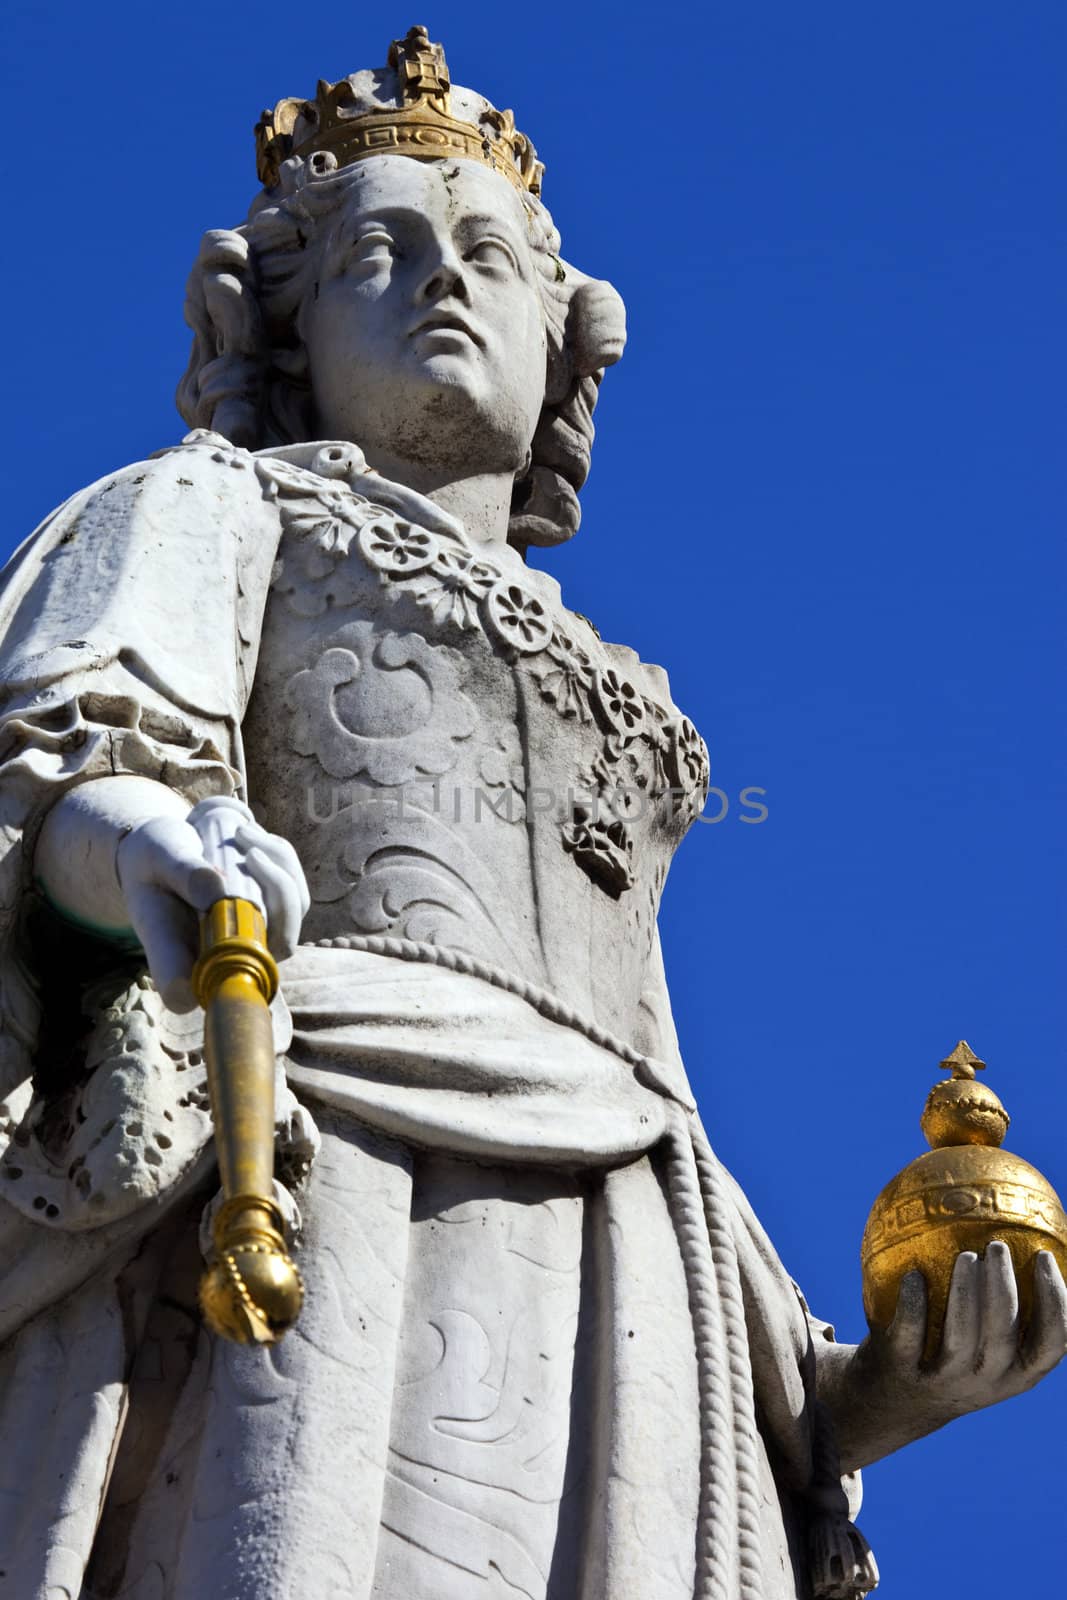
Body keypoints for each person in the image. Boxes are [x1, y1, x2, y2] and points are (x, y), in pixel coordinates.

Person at [0, 27, 1062, 1600]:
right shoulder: (211, 504)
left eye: (491, 255)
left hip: (645, 1262)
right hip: (330, 1164)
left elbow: (646, 1066)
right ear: (277, 326)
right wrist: (148, 848)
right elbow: (58, 785)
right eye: (383, 250)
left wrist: (860, 1397)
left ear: (566, 342)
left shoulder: (625, 681)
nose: (446, 281)